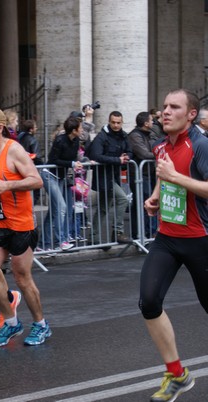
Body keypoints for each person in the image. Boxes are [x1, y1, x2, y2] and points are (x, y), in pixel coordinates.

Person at [140, 89, 207, 402]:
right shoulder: (161, 145)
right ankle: (177, 374)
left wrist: (174, 178)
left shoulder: (202, 145)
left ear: (191, 114)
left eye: (174, 107)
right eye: (164, 106)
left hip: (200, 239)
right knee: (149, 301)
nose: (165, 111)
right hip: (168, 237)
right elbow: (165, 176)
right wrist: (156, 196)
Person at [0, 107, 51, 346]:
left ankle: (40, 324)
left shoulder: (14, 150)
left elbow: (36, 180)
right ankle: (11, 323)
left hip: (20, 225)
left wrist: (6, 187)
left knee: (22, 278)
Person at [86, 111, 133, 244]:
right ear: (109, 121)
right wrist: (118, 160)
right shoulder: (102, 137)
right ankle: (117, 232)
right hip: (103, 177)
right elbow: (96, 155)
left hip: (113, 176)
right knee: (123, 199)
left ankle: (94, 237)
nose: (116, 125)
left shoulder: (123, 136)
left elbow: (130, 151)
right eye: (113, 122)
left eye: (118, 122)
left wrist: (127, 157)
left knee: (103, 208)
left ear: (122, 122)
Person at [40, 116, 86, 251]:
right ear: (73, 130)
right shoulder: (60, 140)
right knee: (62, 207)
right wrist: (72, 164)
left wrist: (79, 163)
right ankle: (61, 241)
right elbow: (53, 159)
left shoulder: (76, 141)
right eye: (80, 127)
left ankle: (44, 243)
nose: (82, 130)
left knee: (54, 211)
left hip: (60, 176)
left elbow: (74, 158)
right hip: (50, 174)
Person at [127, 111, 157, 239]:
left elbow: (156, 147)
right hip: (139, 174)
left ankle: (150, 232)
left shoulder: (150, 134)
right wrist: (159, 154)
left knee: (150, 202)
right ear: (145, 123)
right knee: (143, 203)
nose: (153, 122)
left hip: (149, 173)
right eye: (151, 120)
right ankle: (142, 233)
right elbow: (144, 154)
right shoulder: (135, 136)